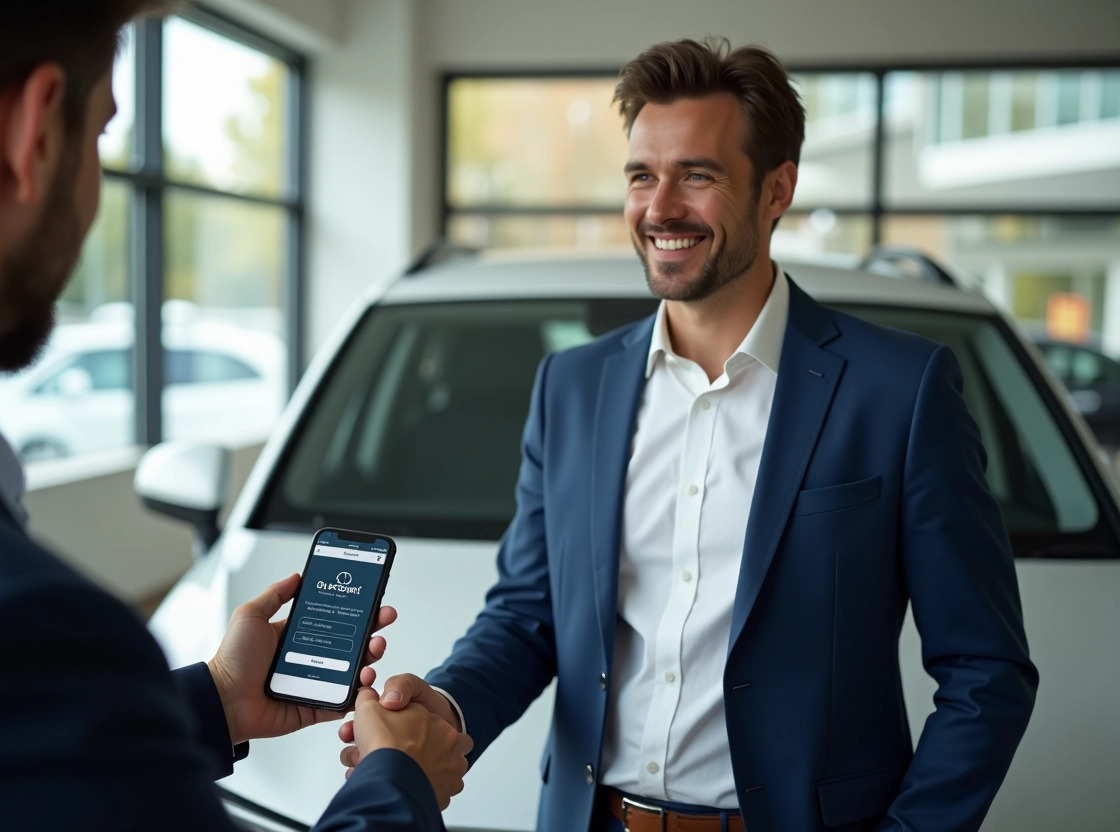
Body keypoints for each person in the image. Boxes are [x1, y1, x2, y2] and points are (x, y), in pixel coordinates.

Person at [349, 38, 1039, 831]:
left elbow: (986, 671)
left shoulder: (899, 391)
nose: (660, 207)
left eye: (698, 176)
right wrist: (445, 701)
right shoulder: (570, 388)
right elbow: (529, 614)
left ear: (776, 189)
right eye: (642, 175)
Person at [0, 2, 470, 829]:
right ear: (35, 134)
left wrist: (216, 700)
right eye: (100, 136)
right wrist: (400, 779)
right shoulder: (9, 630)